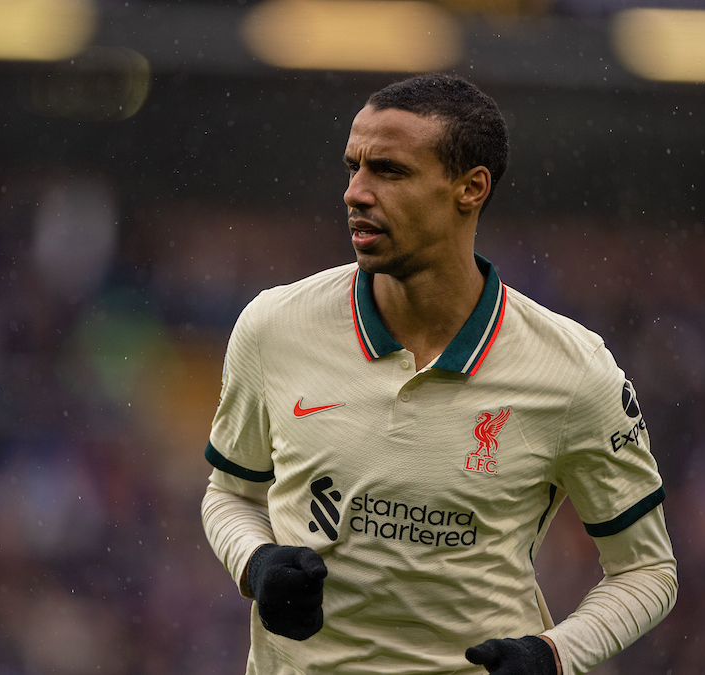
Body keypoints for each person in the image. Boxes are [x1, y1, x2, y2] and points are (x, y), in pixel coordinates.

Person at [200, 73, 677, 675]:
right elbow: (230, 495)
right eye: (353, 167)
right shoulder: (274, 326)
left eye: (389, 171)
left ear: (469, 189)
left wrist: (554, 656)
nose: (355, 192)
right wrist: (256, 562)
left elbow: (646, 570)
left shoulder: (575, 371)